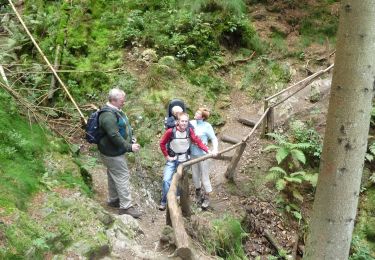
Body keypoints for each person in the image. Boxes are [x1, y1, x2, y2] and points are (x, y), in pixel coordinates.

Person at [98, 88, 142, 218]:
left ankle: (114, 199)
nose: (124, 102)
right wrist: (129, 147)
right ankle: (125, 207)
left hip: (113, 151)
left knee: (113, 174)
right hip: (112, 153)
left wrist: (131, 137)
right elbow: (113, 135)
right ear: (114, 100)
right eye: (122, 100)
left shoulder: (115, 110)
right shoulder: (107, 115)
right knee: (122, 176)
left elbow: (124, 126)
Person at [159, 112, 209, 211]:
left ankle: (177, 199)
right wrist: (167, 156)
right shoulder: (170, 131)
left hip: (184, 161)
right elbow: (162, 143)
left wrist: (207, 150)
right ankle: (164, 201)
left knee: (180, 181)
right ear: (178, 121)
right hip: (172, 160)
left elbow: (197, 141)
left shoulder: (189, 131)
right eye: (182, 121)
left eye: (186, 121)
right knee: (166, 180)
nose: (184, 123)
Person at [190, 107, 218, 209]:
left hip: (203, 155)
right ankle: (198, 194)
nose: (195, 113)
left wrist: (215, 149)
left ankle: (207, 197)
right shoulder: (191, 123)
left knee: (204, 177)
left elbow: (213, 138)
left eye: (198, 113)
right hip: (193, 154)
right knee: (195, 175)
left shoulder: (207, 126)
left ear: (202, 117)